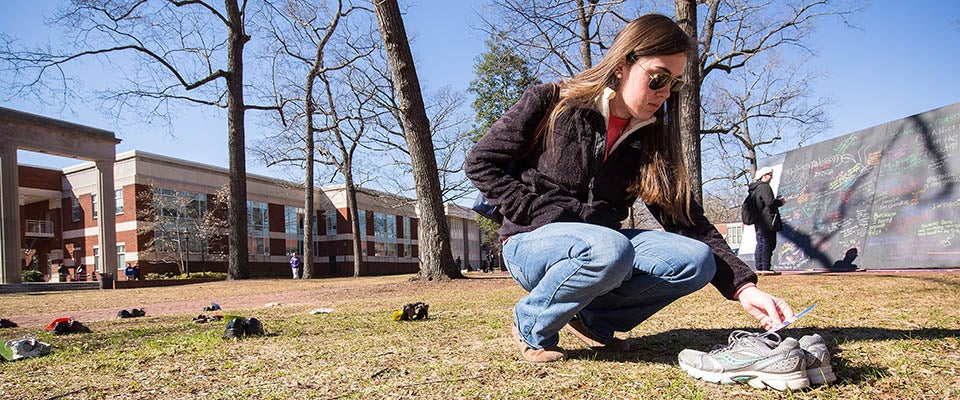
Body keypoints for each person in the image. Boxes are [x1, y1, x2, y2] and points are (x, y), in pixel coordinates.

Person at [465, 14, 795, 363]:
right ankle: (532, 322)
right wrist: (534, 210)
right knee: (610, 248)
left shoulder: (652, 138)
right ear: (623, 64)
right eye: (658, 78)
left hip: (604, 248)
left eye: (675, 84)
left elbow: (686, 219)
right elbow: (481, 162)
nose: (665, 92)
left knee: (696, 261)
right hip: (531, 241)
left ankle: (594, 321)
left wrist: (743, 287)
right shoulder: (553, 101)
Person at [748, 168, 785, 275]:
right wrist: (780, 202)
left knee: (760, 243)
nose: (771, 177)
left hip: (758, 220)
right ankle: (765, 268)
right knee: (768, 243)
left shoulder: (754, 188)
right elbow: (769, 202)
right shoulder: (764, 187)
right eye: (769, 174)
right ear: (763, 175)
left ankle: (759, 268)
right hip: (767, 220)